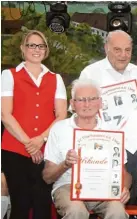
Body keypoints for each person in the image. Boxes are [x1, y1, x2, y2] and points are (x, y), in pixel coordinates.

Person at [79, 30, 137, 205]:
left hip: (132, 145)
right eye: (117, 50)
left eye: (127, 50)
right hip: (99, 145)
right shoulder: (90, 73)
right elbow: (78, 110)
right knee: (99, 195)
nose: (123, 55)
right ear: (106, 48)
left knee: (131, 194)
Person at [1, 30, 68, 219]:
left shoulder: (56, 78)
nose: (36, 49)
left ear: (46, 50)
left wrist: (41, 139)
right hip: (14, 150)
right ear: (23, 48)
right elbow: (5, 115)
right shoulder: (9, 75)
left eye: (41, 46)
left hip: (47, 150)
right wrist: (29, 144)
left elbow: (61, 115)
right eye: (31, 45)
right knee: (20, 204)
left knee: (42, 204)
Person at [42, 79, 131, 219]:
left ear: (100, 102)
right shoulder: (59, 129)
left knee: (117, 211)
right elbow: (47, 177)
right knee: (76, 210)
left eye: (92, 99)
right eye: (81, 100)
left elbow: (124, 174)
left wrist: (124, 187)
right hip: (68, 186)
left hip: (104, 188)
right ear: (72, 104)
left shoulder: (112, 131)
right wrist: (65, 164)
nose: (87, 104)